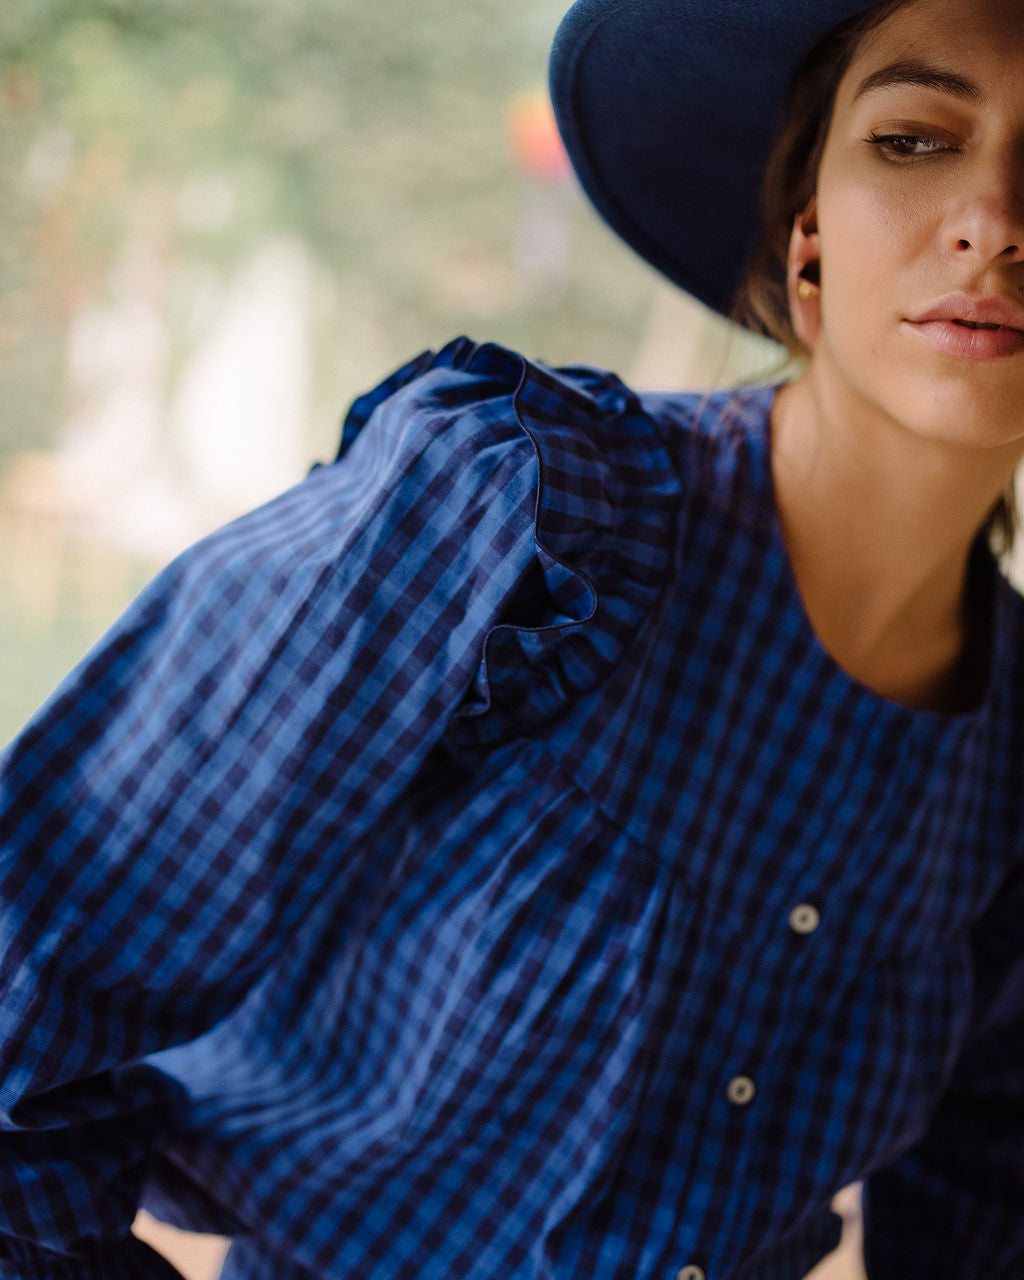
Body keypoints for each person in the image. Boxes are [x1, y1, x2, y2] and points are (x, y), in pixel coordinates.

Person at [0, 0, 1022, 1276]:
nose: (994, 219)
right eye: (913, 139)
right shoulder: (520, 513)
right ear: (806, 238)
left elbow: (986, 1200)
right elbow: (27, 983)